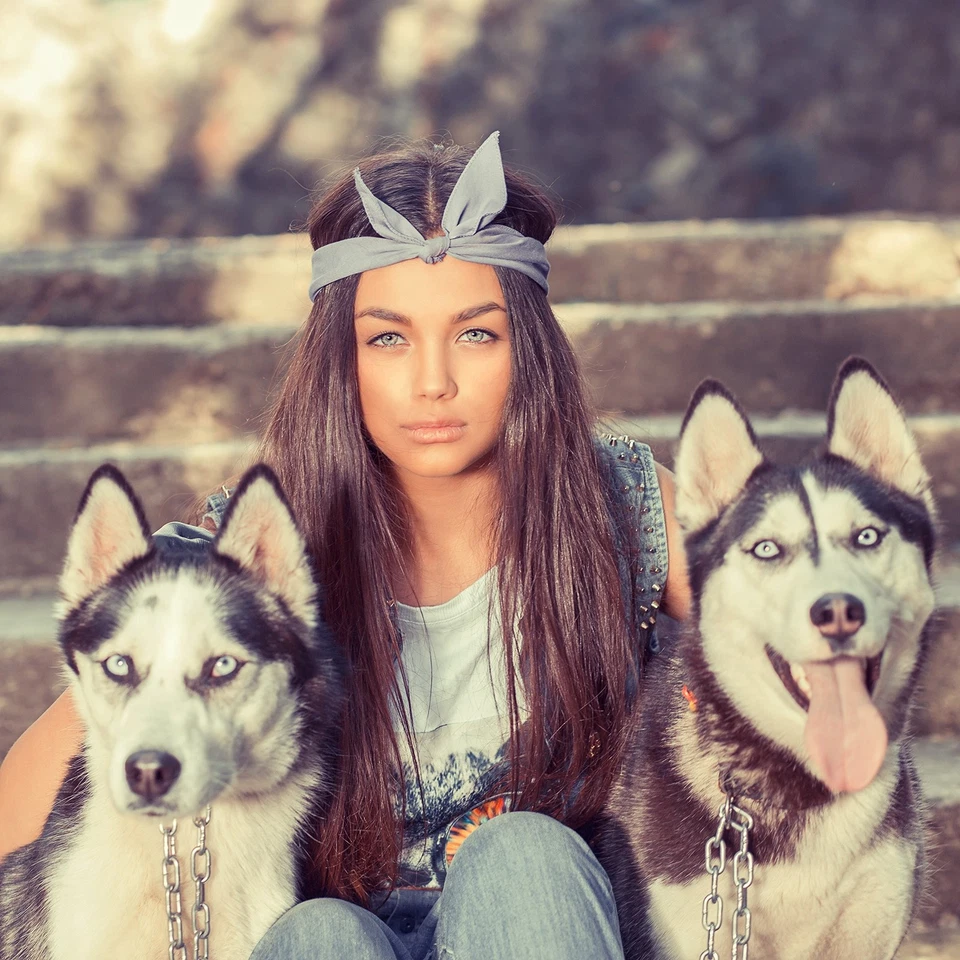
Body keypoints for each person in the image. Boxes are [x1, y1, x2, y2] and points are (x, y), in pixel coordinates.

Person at [0, 132, 690, 959]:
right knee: (318, 934)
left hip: (539, 918)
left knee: (524, 851)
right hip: (327, 931)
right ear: (344, 358)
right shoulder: (244, 561)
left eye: (476, 334)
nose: (433, 381)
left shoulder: (622, 506)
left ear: (528, 350)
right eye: (387, 339)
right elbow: (31, 801)